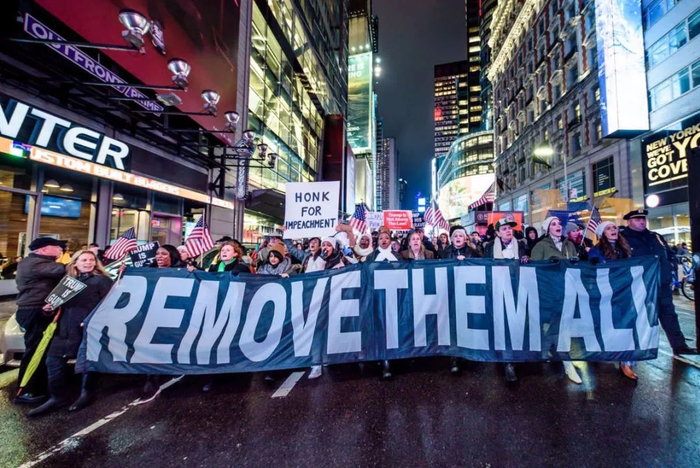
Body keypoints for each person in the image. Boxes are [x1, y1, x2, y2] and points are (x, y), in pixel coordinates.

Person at [27, 250, 113, 416]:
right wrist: (48, 309)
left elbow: (108, 305)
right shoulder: (67, 281)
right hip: (64, 327)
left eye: (91, 260)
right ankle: (57, 396)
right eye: (84, 260)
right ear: (75, 263)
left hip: (87, 328)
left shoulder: (102, 281)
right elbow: (57, 305)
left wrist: (94, 321)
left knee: (87, 363)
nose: (88, 263)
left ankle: (86, 394)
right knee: (53, 361)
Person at [621, 209, 696, 355]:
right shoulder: (623, 238)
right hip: (639, 285)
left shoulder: (656, 237)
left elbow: (670, 254)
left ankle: (679, 346)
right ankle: (634, 348)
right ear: (629, 222)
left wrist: (671, 267)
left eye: (643, 219)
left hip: (661, 283)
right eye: (637, 219)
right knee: (638, 318)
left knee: (669, 315)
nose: (642, 222)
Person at [14, 238, 67, 404]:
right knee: (37, 350)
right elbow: (63, 270)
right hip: (35, 311)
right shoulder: (36, 263)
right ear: (43, 249)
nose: (61, 250)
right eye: (57, 248)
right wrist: (85, 261)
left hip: (36, 310)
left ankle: (38, 387)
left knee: (42, 349)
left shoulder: (36, 262)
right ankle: (27, 390)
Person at [530, 217, 582, 384]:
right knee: (560, 327)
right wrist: (549, 266)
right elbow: (533, 269)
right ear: (547, 229)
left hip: (568, 291)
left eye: (559, 223)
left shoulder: (569, 245)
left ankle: (546, 347)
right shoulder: (541, 246)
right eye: (553, 224)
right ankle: (568, 364)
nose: (558, 226)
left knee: (561, 325)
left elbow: (575, 267)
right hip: (550, 293)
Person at [587, 221, 638, 381]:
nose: (613, 230)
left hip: (625, 292)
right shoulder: (596, 251)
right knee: (607, 326)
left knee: (627, 325)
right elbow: (592, 270)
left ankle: (626, 363)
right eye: (608, 228)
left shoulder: (625, 248)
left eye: (614, 227)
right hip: (607, 294)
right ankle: (601, 352)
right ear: (603, 233)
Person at [482, 219, 530, 383]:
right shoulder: (490, 247)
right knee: (503, 325)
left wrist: (526, 259)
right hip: (498, 290)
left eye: (510, 228)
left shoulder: (521, 245)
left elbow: (528, 263)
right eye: (504, 229)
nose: (508, 231)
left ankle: (512, 358)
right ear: (497, 233)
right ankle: (507, 360)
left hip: (517, 289)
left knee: (515, 324)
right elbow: (485, 267)